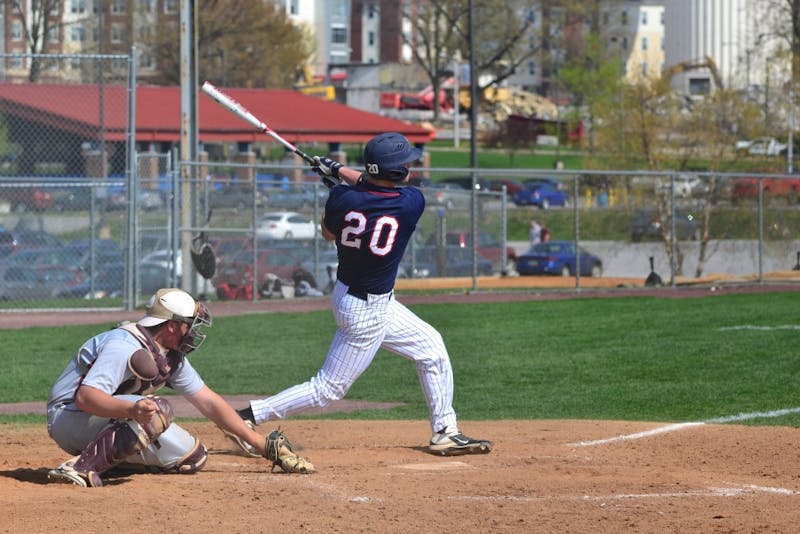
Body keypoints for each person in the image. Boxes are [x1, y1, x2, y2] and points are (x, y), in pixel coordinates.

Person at [232, 132, 492, 456]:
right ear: (395, 171)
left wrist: (337, 178)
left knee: (432, 349)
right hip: (366, 313)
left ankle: (445, 431)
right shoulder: (412, 202)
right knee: (328, 389)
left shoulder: (343, 198)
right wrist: (339, 174)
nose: (409, 168)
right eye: (404, 164)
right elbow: (371, 188)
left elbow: (329, 231)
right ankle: (247, 416)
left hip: (356, 297)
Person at [46, 288, 312, 487]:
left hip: (99, 419)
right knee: (157, 411)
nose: (193, 331)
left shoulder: (169, 356)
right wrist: (132, 410)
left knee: (192, 456)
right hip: (68, 417)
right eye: (190, 324)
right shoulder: (124, 345)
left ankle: (108, 462)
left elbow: (209, 402)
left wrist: (261, 444)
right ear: (173, 326)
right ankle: (78, 468)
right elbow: (86, 397)